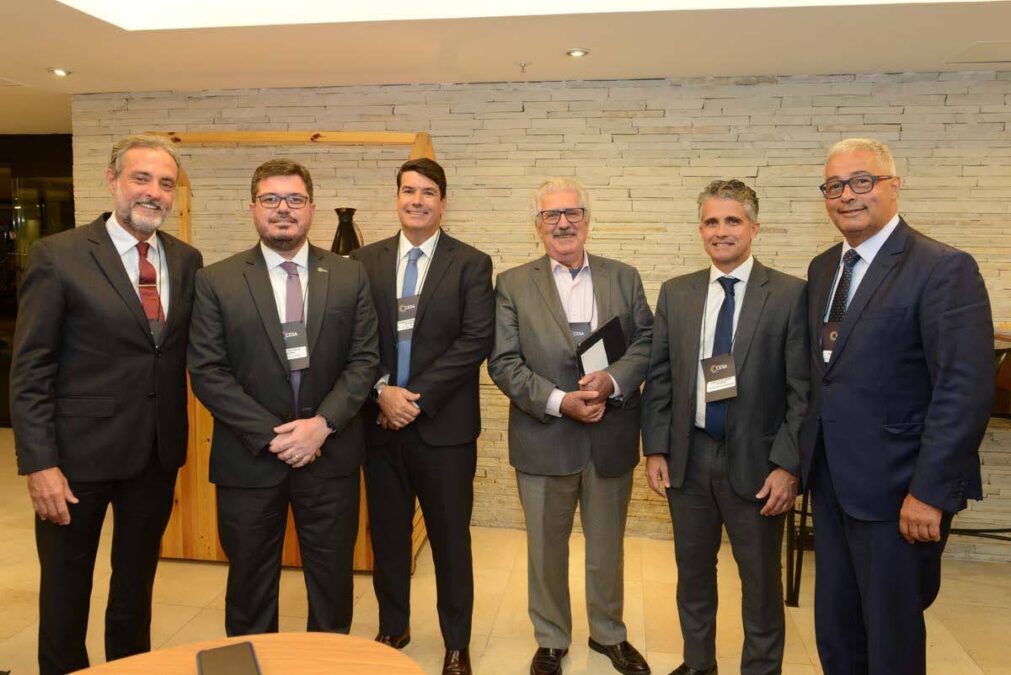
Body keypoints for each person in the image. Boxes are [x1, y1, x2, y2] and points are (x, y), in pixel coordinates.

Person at [799, 138, 994, 675]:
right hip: (832, 483)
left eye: (861, 181)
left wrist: (930, 493)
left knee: (892, 639)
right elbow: (826, 375)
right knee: (837, 628)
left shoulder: (942, 268)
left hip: (899, 494)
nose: (847, 195)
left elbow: (963, 389)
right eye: (834, 186)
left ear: (893, 186)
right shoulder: (823, 269)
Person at [10, 134, 203, 674]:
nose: (154, 192)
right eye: (141, 178)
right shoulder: (59, 256)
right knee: (66, 589)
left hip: (155, 454)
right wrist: (40, 464)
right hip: (75, 460)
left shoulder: (186, 260)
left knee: (136, 587)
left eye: (166, 183)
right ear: (113, 181)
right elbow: (31, 368)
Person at [187, 159, 379, 637]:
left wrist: (321, 426)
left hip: (329, 457)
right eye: (270, 199)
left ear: (311, 208)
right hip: (250, 461)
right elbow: (208, 371)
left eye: (295, 199)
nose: (283, 209)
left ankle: (326, 666)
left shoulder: (350, 276)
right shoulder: (216, 280)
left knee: (332, 587)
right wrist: (274, 437)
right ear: (252, 208)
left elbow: (364, 361)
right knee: (249, 587)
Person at [641, 179, 808, 675]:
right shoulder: (677, 293)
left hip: (758, 464)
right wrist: (655, 448)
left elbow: (803, 393)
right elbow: (660, 376)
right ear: (700, 230)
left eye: (732, 220)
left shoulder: (789, 294)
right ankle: (698, 665)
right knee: (693, 575)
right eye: (711, 222)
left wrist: (787, 465)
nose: (721, 231)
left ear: (754, 228)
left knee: (760, 583)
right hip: (689, 458)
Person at [488, 177, 653, 675]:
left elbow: (647, 342)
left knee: (607, 548)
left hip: (610, 435)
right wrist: (563, 402)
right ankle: (552, 638)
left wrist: (611, 381)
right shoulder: (513, 284)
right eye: (551, 215)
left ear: (587, 219)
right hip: (544, 438)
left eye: (572, 212)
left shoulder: (624, 277)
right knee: (545, 549)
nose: (563, 223)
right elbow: (504, 362)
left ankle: (608, 634)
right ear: (537, 225)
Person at [350, 158, 494, 675]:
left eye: (428, 192)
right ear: (397, 198)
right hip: (379, 426)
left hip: (444, 430)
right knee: (388, 536)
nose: (417, 200)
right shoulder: (363, 262)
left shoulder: (471, 263)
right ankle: (393, 627)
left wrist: (413, 399)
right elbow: (354, 339)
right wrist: (382, 392)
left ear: (443, 202)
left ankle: (456, 642)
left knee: (451, 540)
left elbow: (475, 340)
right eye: (408, 190)